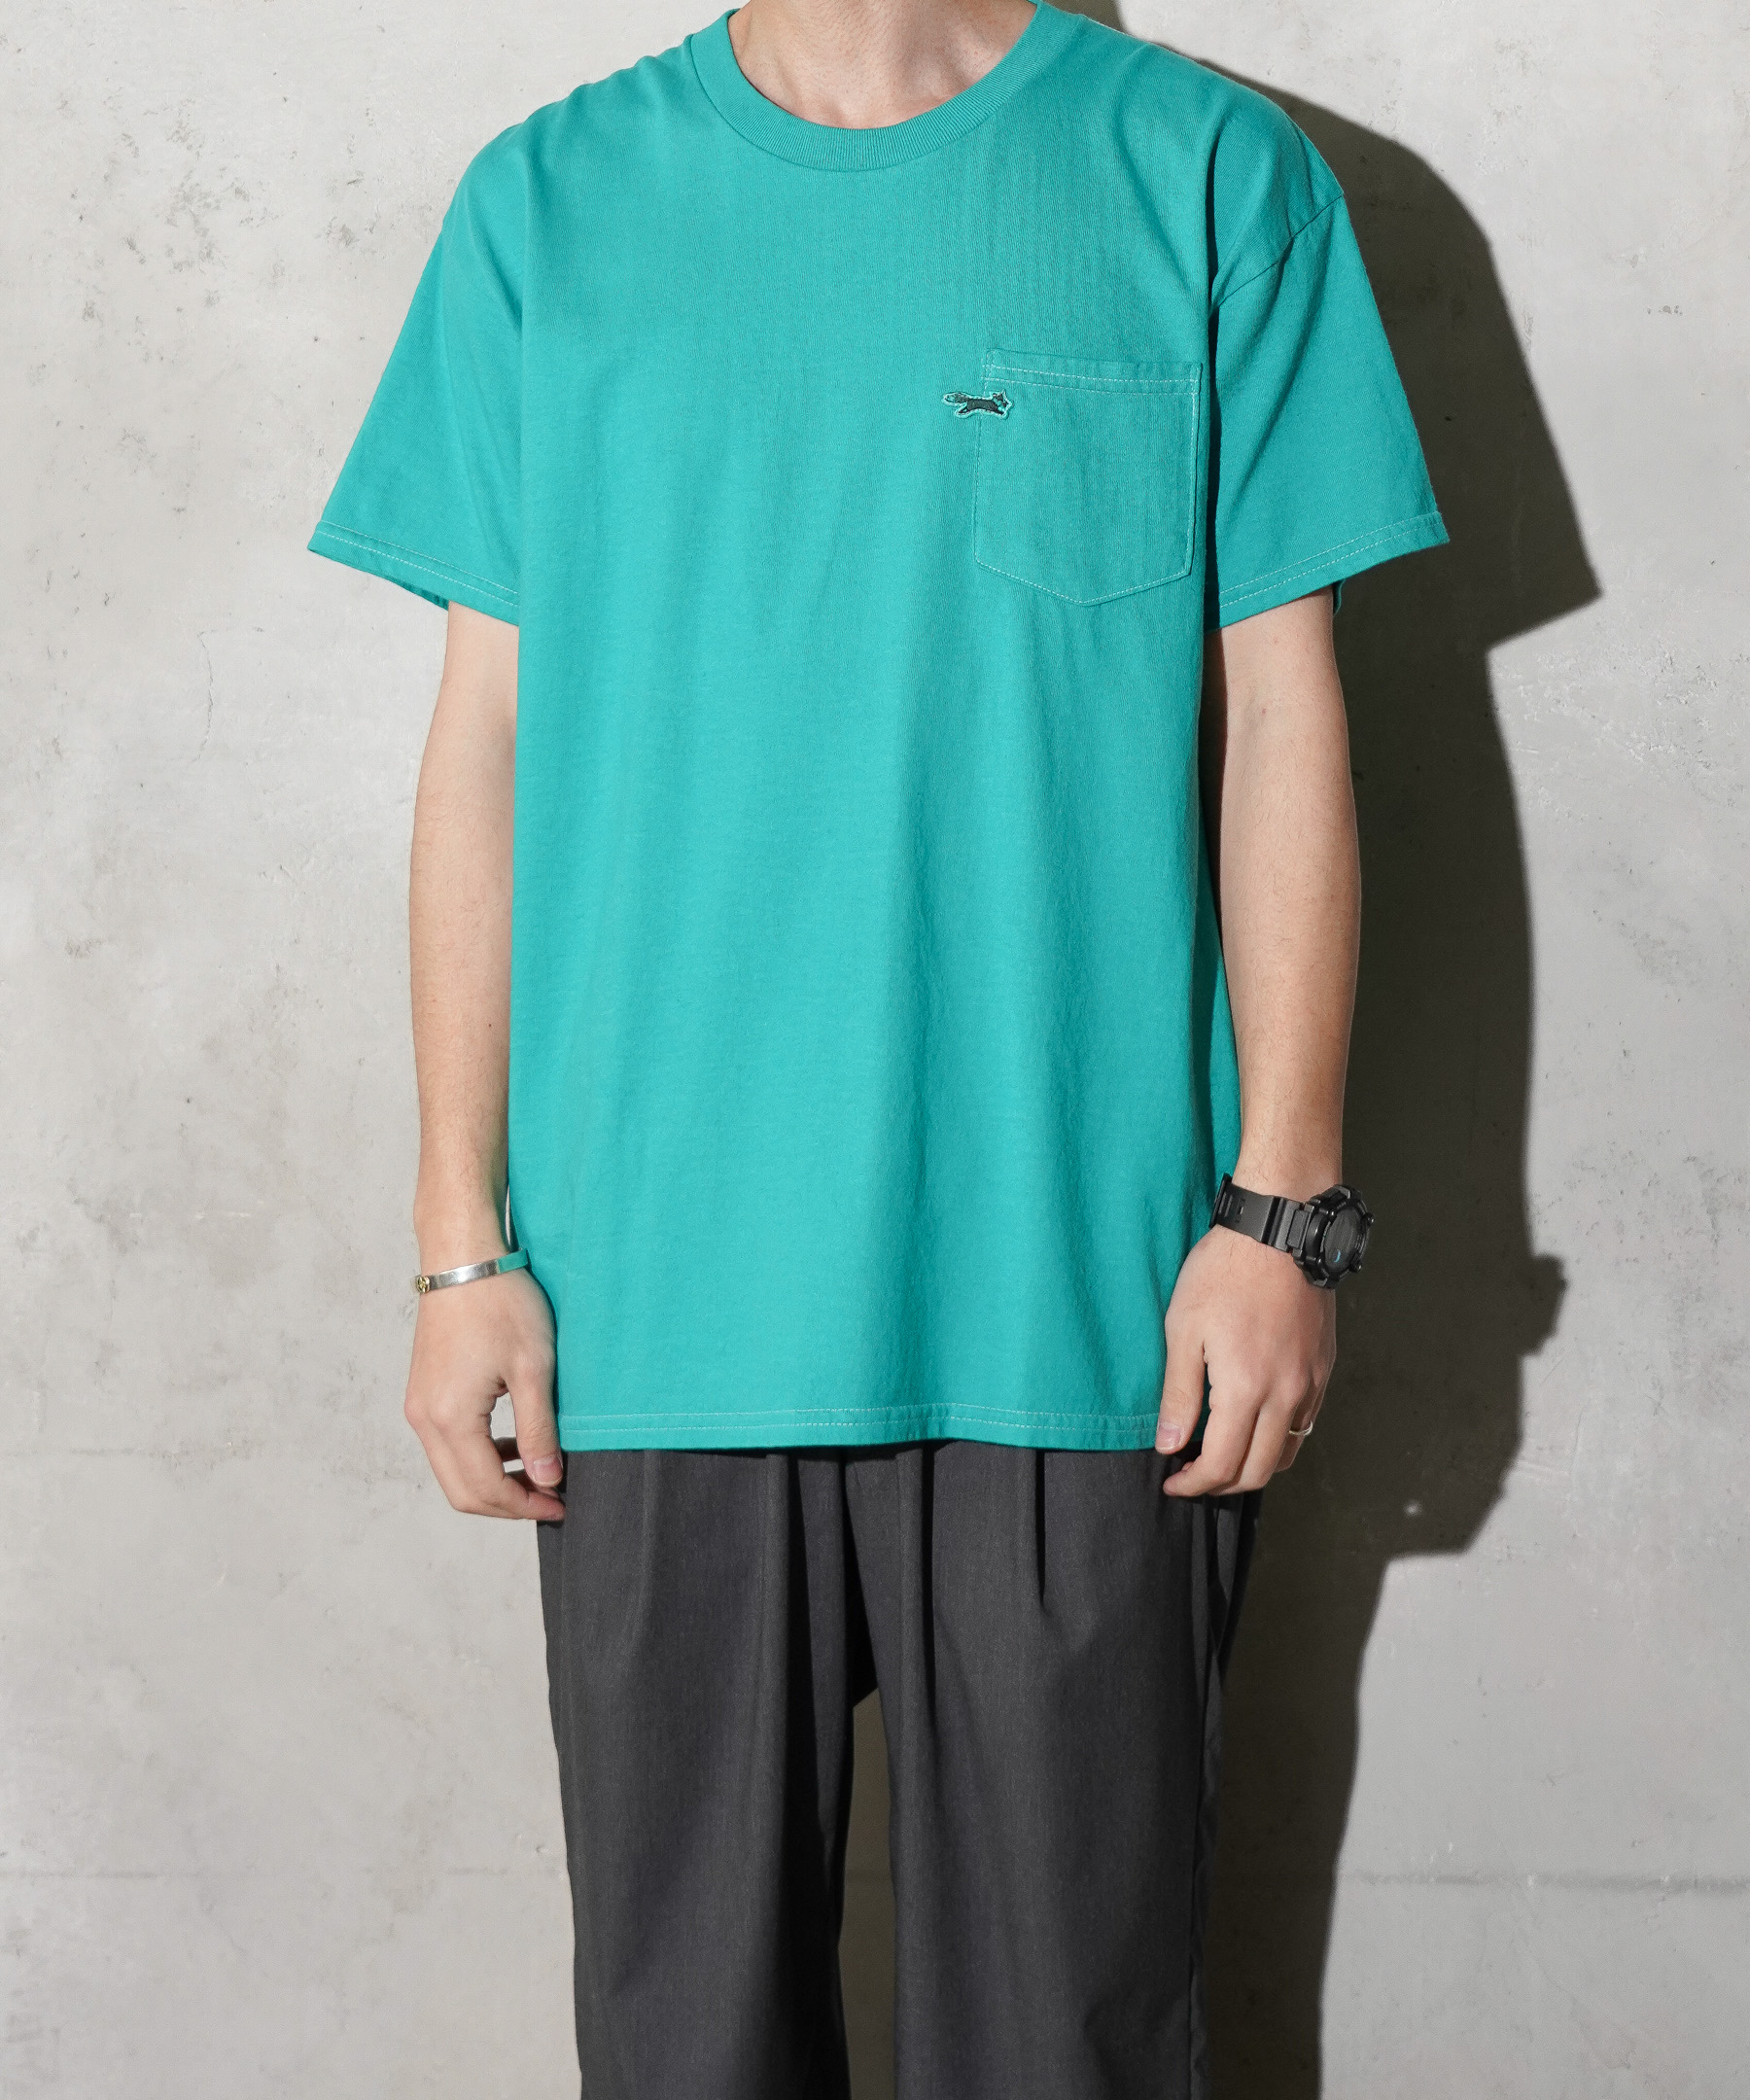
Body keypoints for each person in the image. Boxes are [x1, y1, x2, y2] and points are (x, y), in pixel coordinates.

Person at [308, 1, 1445, 2092]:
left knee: (1068, 2048)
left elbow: (1287, 710)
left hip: (1089, 1310)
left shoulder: (1205, 173)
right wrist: (461, 1248)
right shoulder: (550, 202)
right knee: (685, 2051)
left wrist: (1282, 1212)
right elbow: (485, 744)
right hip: (651, 1303)